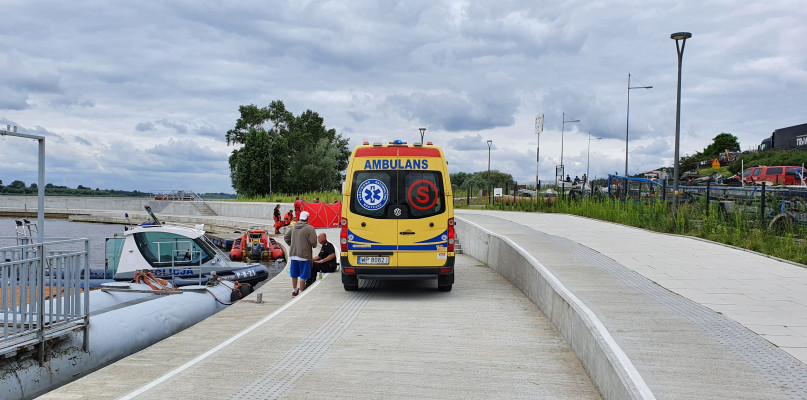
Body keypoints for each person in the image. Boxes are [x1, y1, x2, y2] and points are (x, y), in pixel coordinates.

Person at [284, 211, 317, 297]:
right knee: (303, 274)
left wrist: (292, 245)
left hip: (294, 254)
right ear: (307, 218)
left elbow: (286, 237)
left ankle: (294, 291)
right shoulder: (310, 228)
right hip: (304, 255)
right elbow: (313, 242)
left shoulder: (294, 227)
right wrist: (313, 245)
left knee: (294, 273)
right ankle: (301, 291)